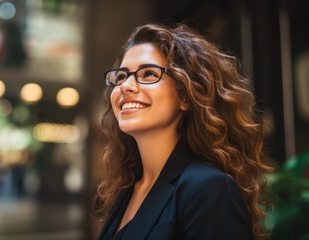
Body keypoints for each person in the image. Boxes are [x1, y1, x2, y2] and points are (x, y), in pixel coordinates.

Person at [94, 23, 274, 240]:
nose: (125, 86)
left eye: (149, 73)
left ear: (186, 95)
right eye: (121, 76)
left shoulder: (209, 188)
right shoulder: (128, 188)